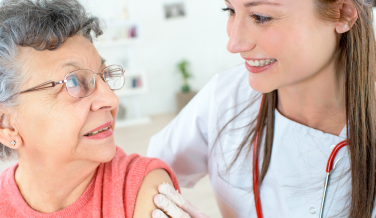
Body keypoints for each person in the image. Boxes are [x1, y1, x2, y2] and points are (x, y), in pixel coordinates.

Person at [148, 0, 376, 217]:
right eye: (230, 11)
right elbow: (146, 172)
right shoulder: (225, 96)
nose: (234, 44)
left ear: (344, 13)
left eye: (261, 17)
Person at [0, 0, 179, 217]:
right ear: (5, 124)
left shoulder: (141, 187)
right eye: (73, 82)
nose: (111, 99)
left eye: (103, 77)